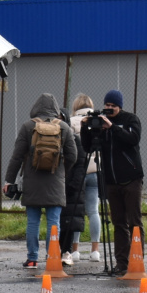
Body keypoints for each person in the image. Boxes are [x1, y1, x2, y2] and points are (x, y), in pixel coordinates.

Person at [4, 93, 78, 268]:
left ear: (35, 108)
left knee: (33, 221)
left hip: (32, 181)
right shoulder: (64, 128)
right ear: (55, 109)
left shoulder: (28, 127)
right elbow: (73, 156)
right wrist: (62, 171)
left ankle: (32, 258)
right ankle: (52, 256)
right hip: (55, 181)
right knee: (54, 221)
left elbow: (16, 157)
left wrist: (8, 180)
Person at [94, 89, 143, 275]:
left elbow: (133, 139)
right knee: (118, 223)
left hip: (131, 178)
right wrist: (88, 128)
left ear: (119, 106)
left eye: (113, 106)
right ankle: (122, 264)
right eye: (107, 105)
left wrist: (112, 127)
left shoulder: (131, 120)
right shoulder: (101, 122)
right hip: (111, 180)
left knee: (135, 222)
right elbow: (88, 145)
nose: (109, 109)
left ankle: (137, 260)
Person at [65, 93, 102, 265]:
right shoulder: (99, 122)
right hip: (95, 171)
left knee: (75, 210)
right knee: (93, 211)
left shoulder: (72, 122)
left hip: (77, 172)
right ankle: (95, 250)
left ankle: (75, 249)